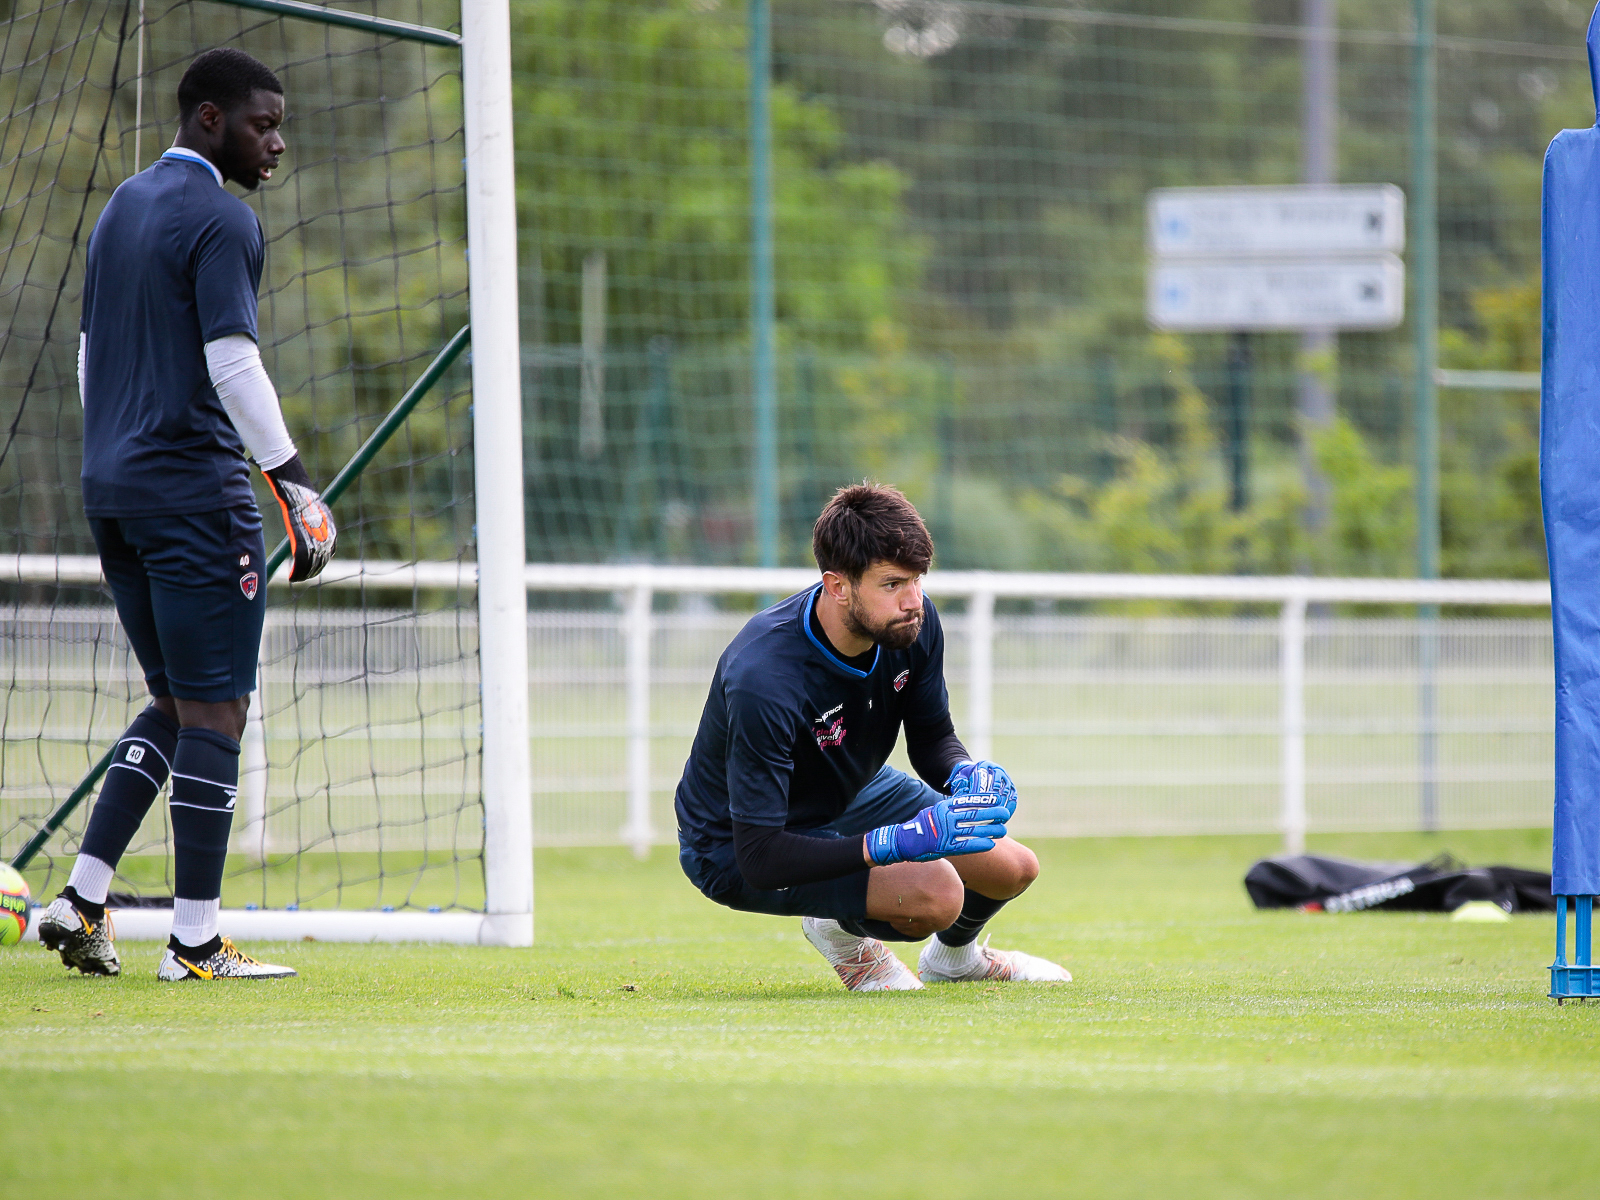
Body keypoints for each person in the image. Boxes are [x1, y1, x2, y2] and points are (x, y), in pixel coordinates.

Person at [37, 47, 336, 981]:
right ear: (209, 118)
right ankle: (196, 944)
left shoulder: (122, 205)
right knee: (218, 713)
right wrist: (293, 483)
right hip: (193, 496)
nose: (277, 143)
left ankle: (82, 900)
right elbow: (233, 363)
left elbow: (90, 362)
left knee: (173, 703)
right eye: (263, 123)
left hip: (112, 490)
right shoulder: (222, 217)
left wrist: (121, 452)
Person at [675, 483, 1069, 991]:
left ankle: (955, 960)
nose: (913, 601)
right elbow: (760, 855)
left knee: (1012, 867)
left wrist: (965, 774)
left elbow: (932, 737)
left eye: (918, 580)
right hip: (737, 842)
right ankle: (839, 929)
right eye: (892, 584)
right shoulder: (765, 675)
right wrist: (891, 844)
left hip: (849, 789)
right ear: (838, 586)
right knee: (938, 894)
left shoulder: (911, 625)